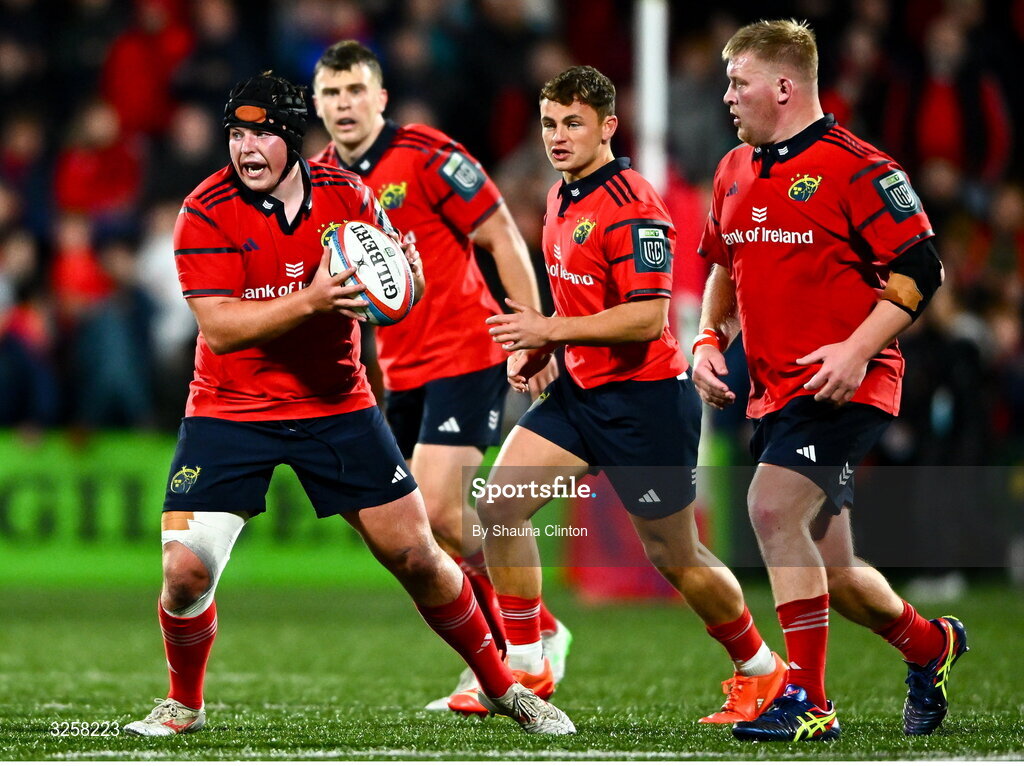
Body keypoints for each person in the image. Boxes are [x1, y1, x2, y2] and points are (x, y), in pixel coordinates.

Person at [123, 72, 574, 737]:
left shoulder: (350, 195)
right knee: (185, 573)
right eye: (237, 135)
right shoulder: (204, 210)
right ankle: (183, 703)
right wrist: (313, 297)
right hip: (230, 408)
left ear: (291, 139)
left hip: (336, 405)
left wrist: (409, 280)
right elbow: (219, 327)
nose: (247, 148)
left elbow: (399, 287)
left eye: (262, 135)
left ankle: (507, 688)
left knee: (420, 555)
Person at [472, 64, 788, 722]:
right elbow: (584, 299)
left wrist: (549, 328)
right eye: (550, 123)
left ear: (608, 127)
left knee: (674, 554)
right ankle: (529, 666)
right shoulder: (561, 196)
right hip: (582, 394)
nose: (557, 137)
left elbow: (646, 317)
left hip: (644, 402)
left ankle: (761, 669)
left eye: (573, 124)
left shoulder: (634, 205)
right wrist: (544, 348)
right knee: (499, 508)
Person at [693, 20, 968, 742]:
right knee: (837, 576)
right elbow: (724, 263)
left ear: (784, 87)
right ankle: (932, 646)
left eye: (738, 82)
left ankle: (806, 699)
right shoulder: (732, 170)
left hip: (847, 386)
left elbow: (922, 267)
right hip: (775, 393)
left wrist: (855, 350)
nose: (727, 96)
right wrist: (704, 338)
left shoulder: (860, 168)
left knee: (771, 511)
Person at [309, 40, 570, 711]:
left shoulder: (427, 155)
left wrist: (530, 331)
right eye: (332, 93)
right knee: (393, 526)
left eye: (355, 91)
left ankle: (526, 646)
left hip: (467, 349)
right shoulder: (319, 183)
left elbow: (501, 235)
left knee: (440, 508)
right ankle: (531, 630)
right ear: (318, 103)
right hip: (398, 370)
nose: (344, 105)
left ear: (381, 97)